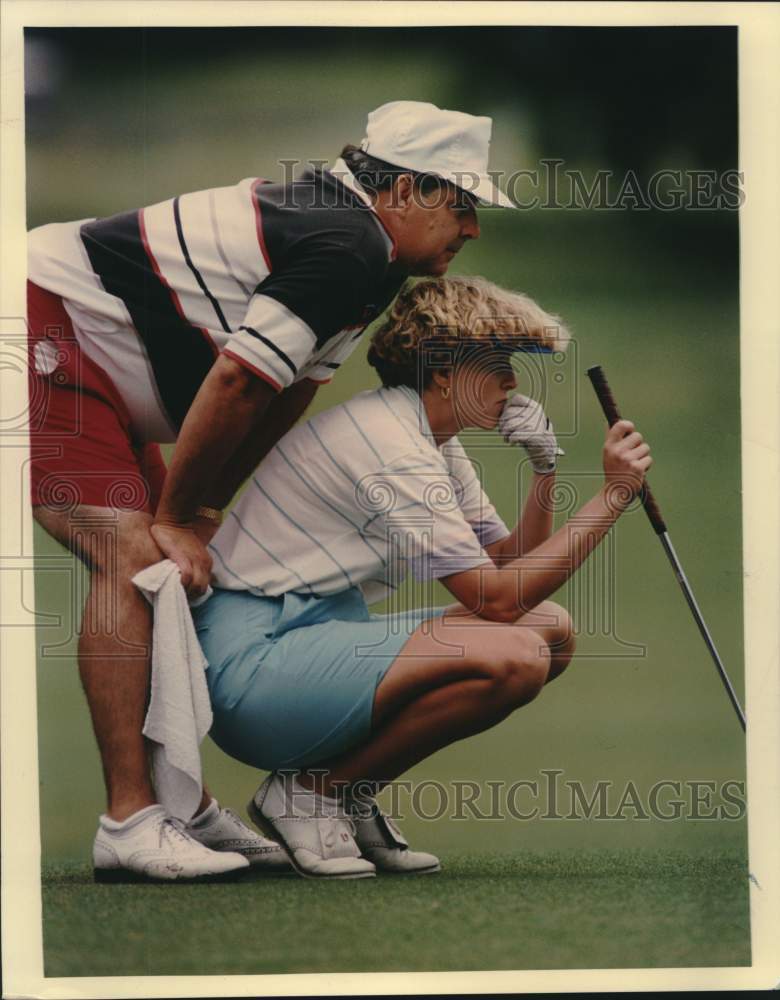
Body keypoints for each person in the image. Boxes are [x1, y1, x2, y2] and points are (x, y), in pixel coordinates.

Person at [27, 101, 515, 881]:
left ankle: (175, 805)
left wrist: (204, 513)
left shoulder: (370, 252)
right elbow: (237, 379)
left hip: (95, 367)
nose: (473, 228)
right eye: (463, 204)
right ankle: (128, 820)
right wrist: (181, 516)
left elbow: (288, 390)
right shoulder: (347, 243)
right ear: (410, 191)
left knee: (167, 567)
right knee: (131, 554)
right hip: (38, 324)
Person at [190, 275, 654, 879]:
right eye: (497, 366)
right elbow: (496, 602)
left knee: (552, 631)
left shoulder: (431, 439)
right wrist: (613, 497)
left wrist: (545, 471)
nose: (513, 384)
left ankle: (340, 793)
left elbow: (511, 572)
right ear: (443, 375)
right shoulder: (394, 446)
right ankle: (313, 793)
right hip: (252, 668)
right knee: (513, 653)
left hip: (311, 644)